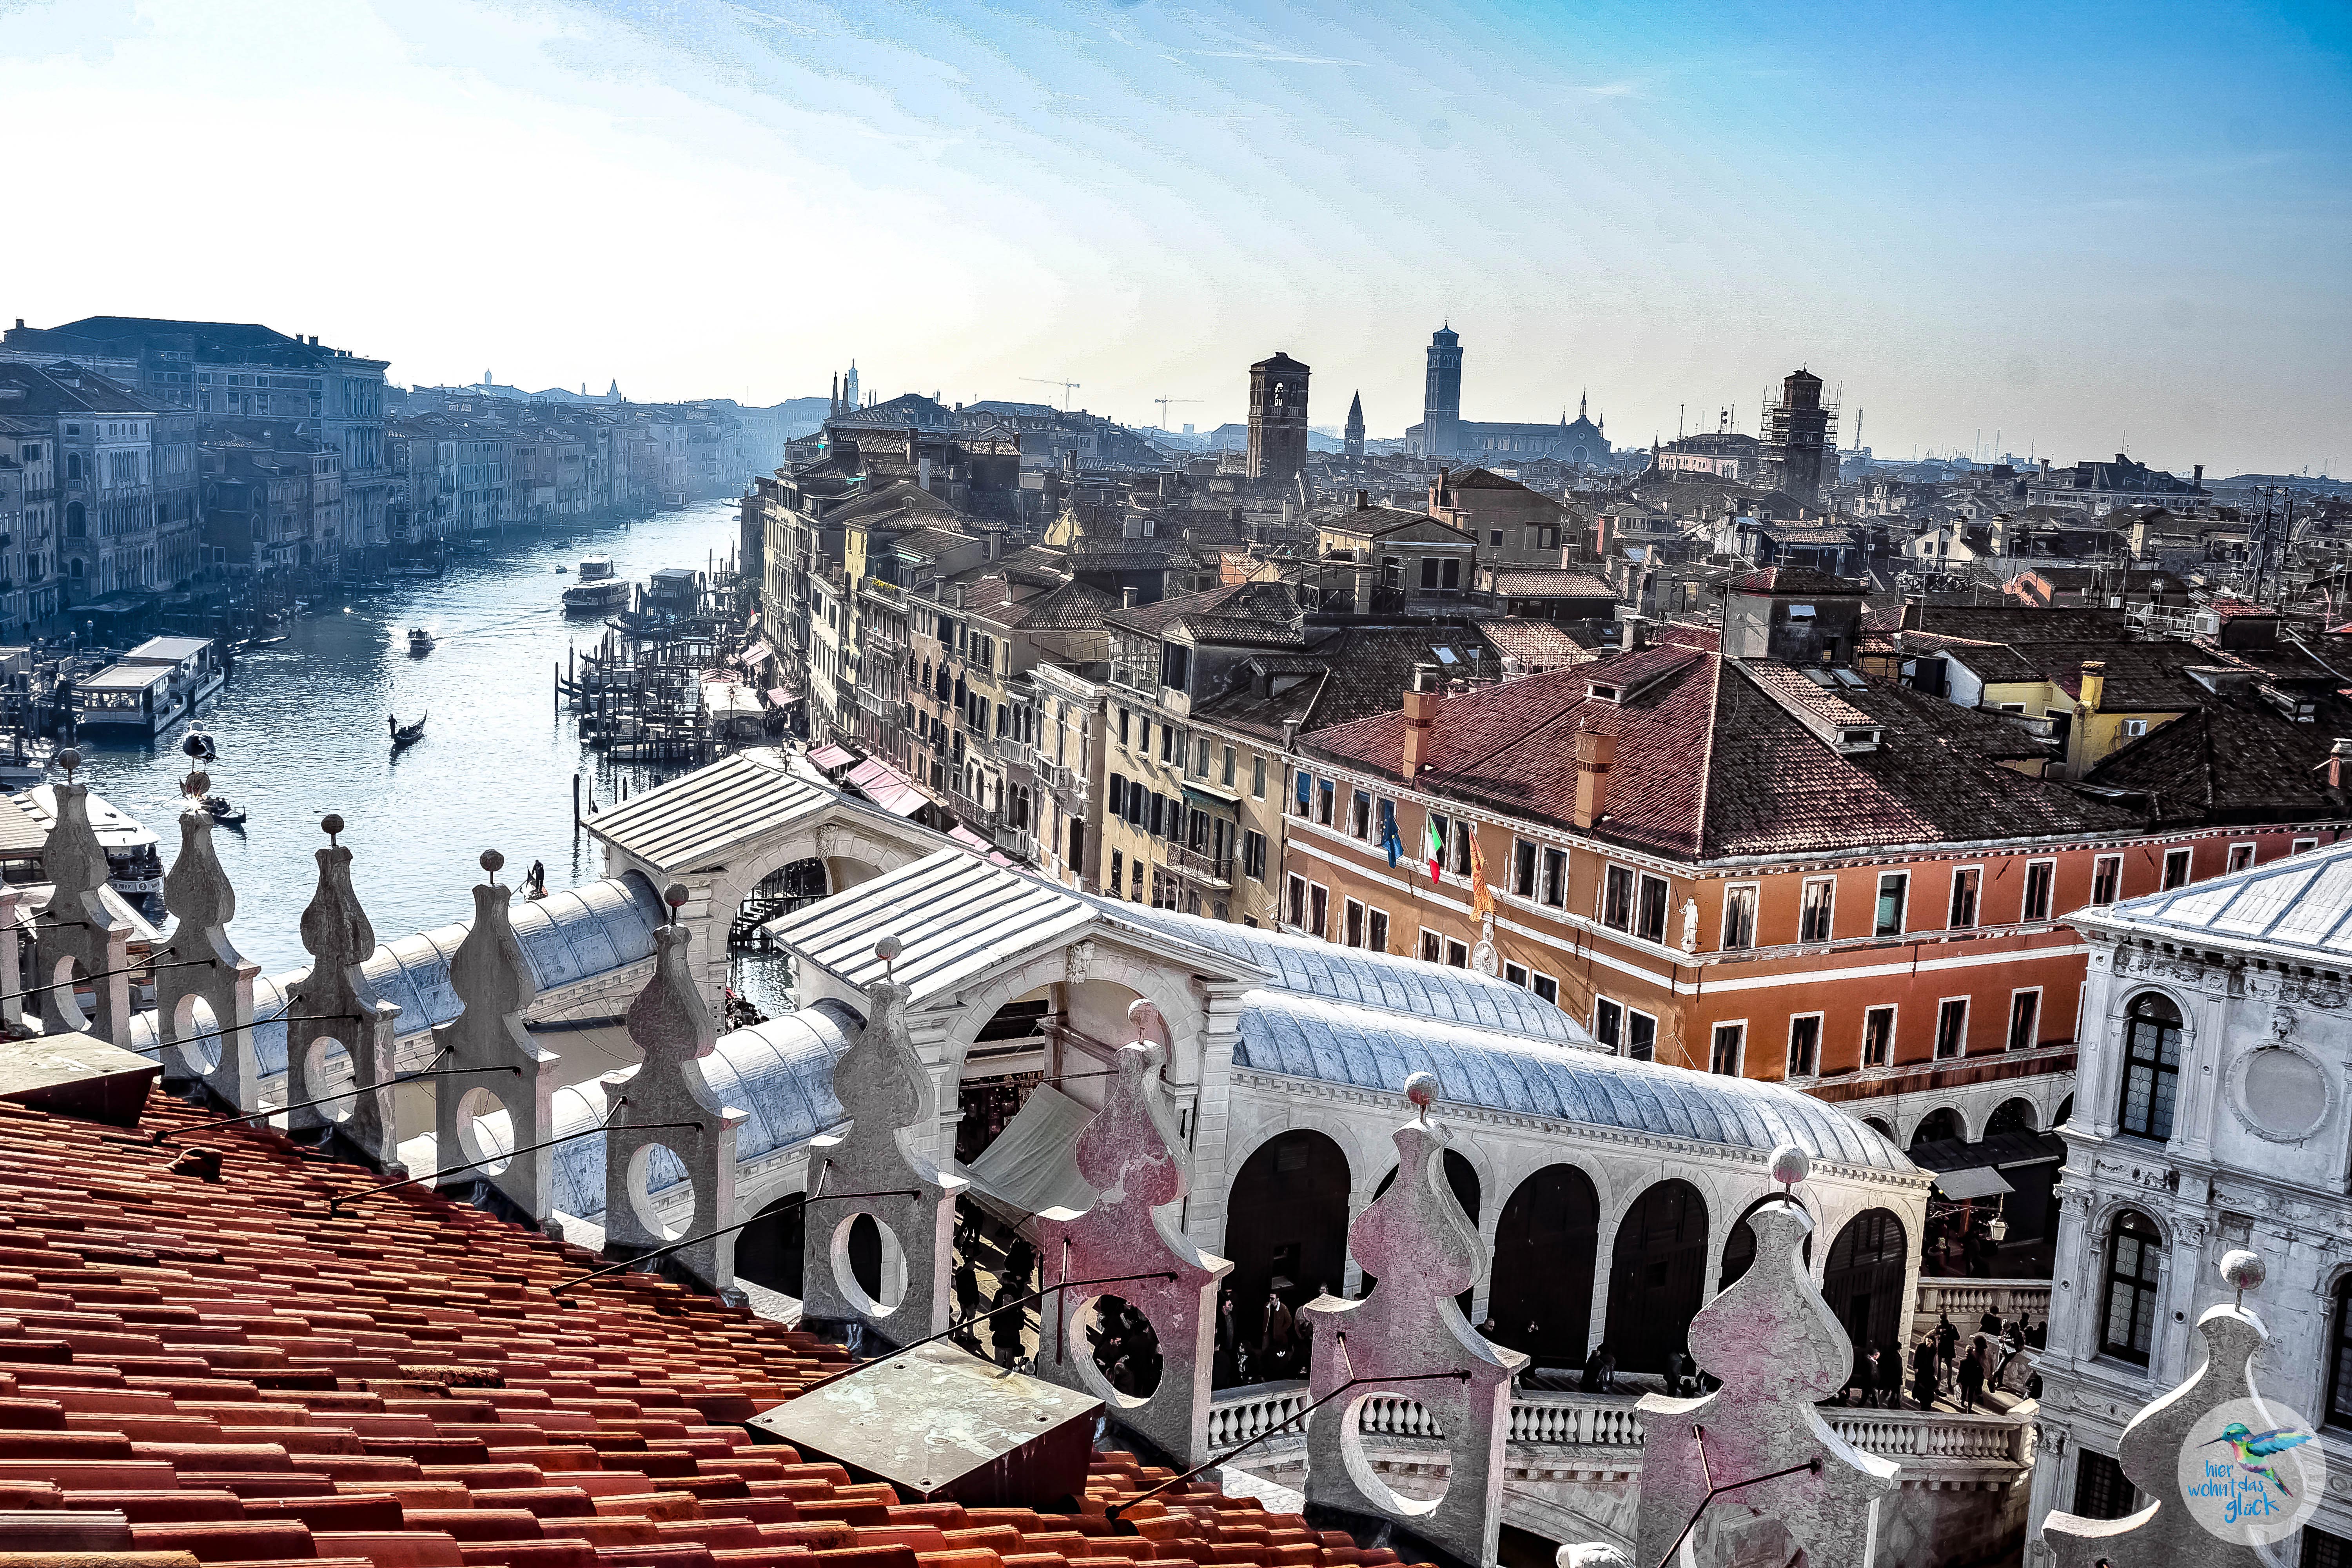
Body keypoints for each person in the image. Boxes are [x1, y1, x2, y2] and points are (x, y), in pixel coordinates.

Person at [1956, 1341, 1985, 1412]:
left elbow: (1960, 1371)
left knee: (1964, 1392)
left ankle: (1962, 1404)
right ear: (1973, 1352)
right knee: (1971, 1395)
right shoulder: (1975, 1362)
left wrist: (1958, 1379)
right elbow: (1981, 1370)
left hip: (1964, 1380)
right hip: (1973, 1380)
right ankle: (1970, 1408)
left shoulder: (1962, 1361)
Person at [1911, 1337, 1939, 1411]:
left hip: (1929, 1371)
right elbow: (1916, 1357)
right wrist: (1915, 1368)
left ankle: (1925, 1403)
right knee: (1920, 1385)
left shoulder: (1933, 1349)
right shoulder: (1921, 1347)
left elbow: (1935, 1361)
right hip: (1921, 1370)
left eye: (1930, 1342)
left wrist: (1936, 1372)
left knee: (1927, 1388)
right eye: (1927, 1341)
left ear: (1932, 1342)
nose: (1928, 1343)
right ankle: (1919, 1398)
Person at [1875, 1340, 1904, 1409]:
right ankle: (1891, 1405)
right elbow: (1899, 1369)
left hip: (1887, 1377)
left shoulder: (1887, 1354)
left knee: (1886, 1392)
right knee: (1894, 1393)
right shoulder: (1897, 1357)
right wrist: (1900, 1379)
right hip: (1895, 1379)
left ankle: (1877, 1403)